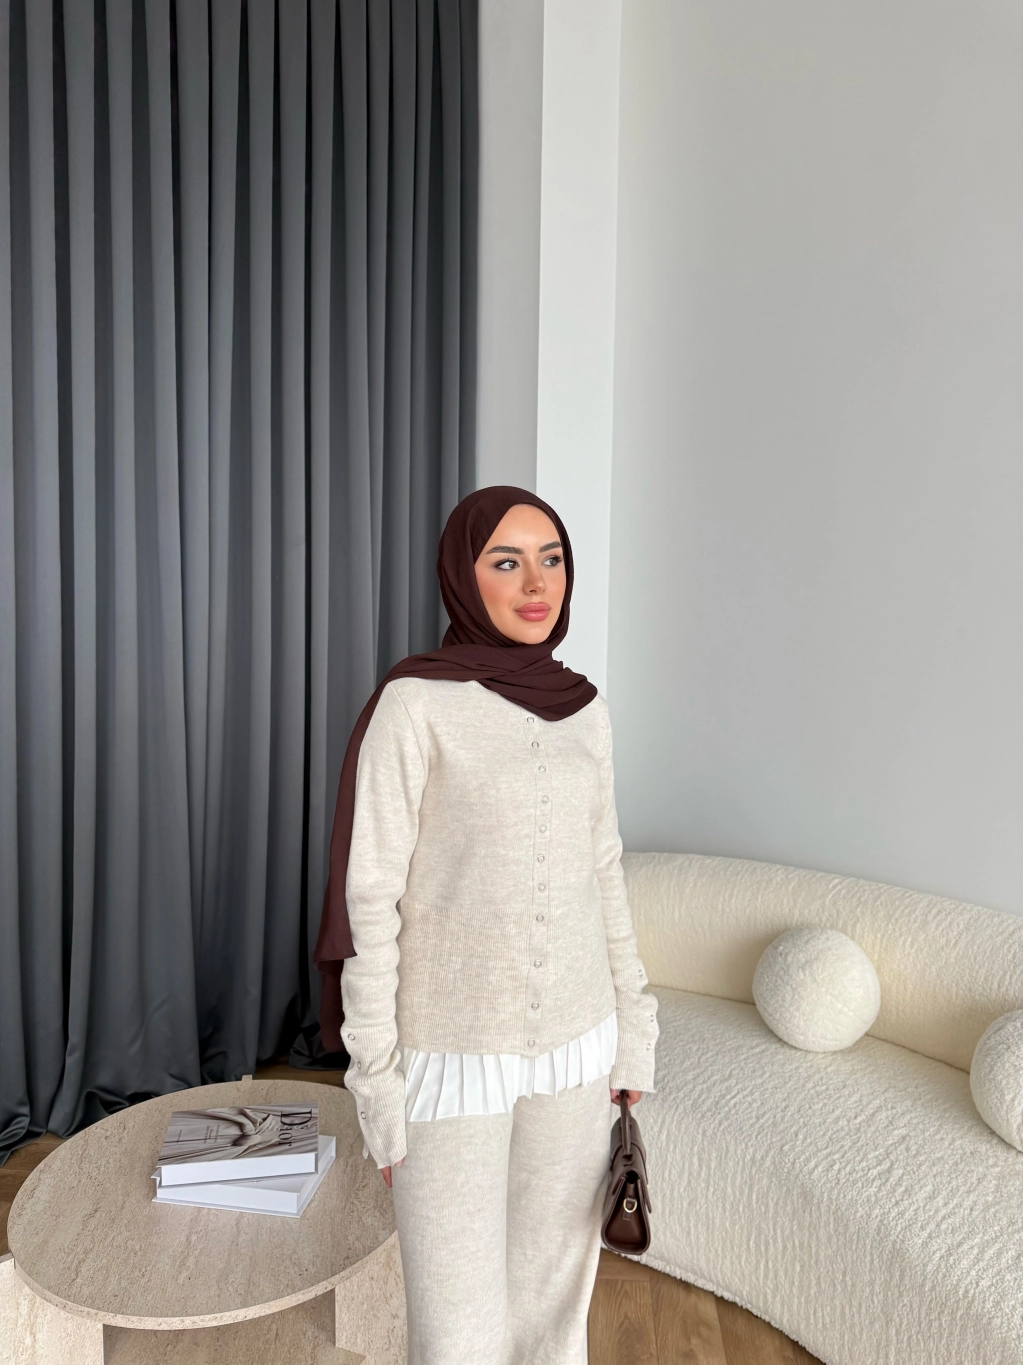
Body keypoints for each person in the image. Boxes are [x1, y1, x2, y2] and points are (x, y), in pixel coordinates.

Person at [314, 485, 659, 1365]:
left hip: (578, 1049)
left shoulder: (587, 711)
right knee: (457, 1332)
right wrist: (376, 1077)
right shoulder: (414, 705)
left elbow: (604, 874)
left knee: (552, 1316)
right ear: (465, 577)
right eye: (507, 561)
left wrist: (633, 1034)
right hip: (449, 1058)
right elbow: (370, 898)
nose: (536, 582)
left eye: (552, 559)